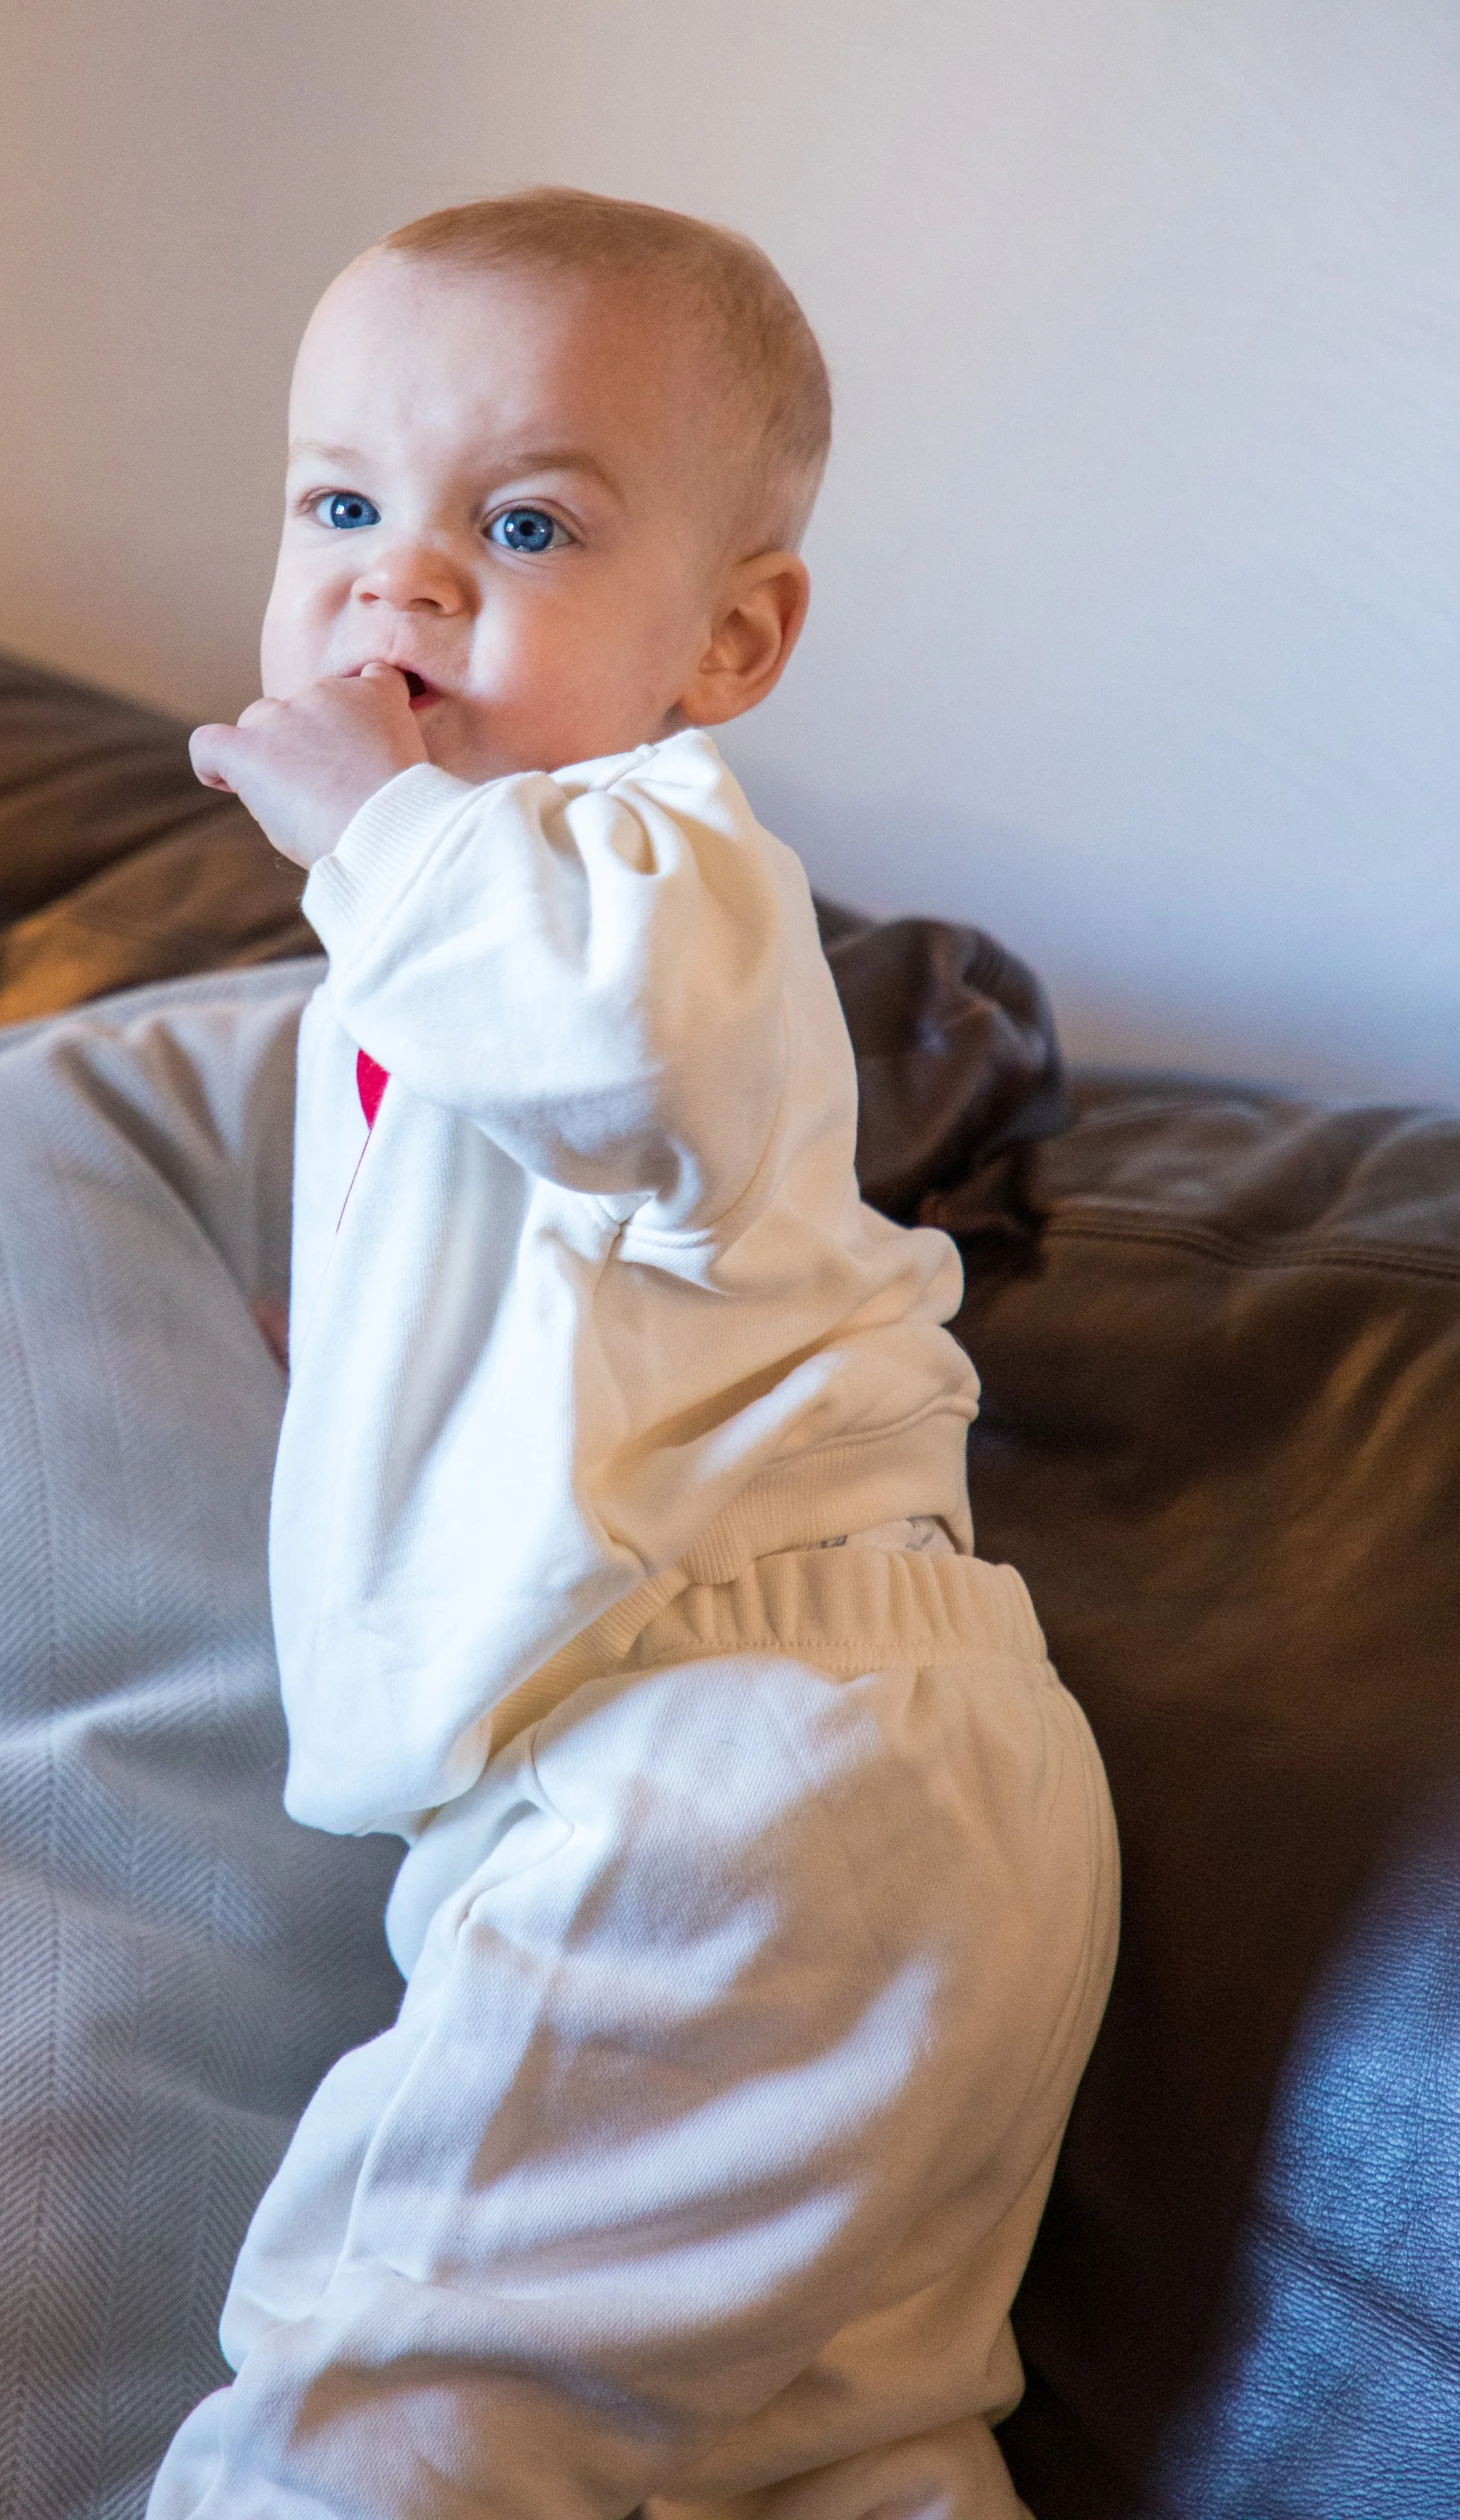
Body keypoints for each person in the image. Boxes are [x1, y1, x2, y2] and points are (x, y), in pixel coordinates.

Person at [152, 188, 1118, 2520]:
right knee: (837, 2436)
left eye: (522, 522)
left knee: (377, 2402)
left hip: (724, 1759)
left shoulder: (657, 863)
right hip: (862, 1779)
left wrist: (372, 828)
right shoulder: (426, 958)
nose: (397, 578)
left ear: (726, 641)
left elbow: (613, 1055)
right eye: (341, 503)